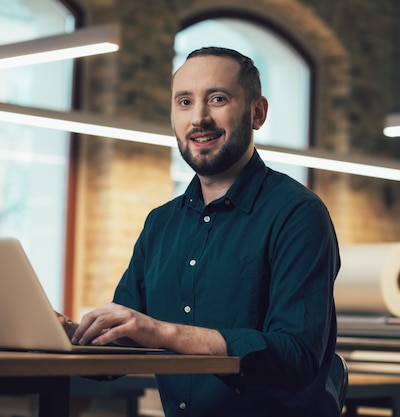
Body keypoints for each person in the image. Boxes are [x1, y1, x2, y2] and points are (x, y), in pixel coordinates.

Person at [67, 46, 341, 416]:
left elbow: (295, 357)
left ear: (257, 113)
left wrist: (165, 334)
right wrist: (68, 338)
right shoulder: (160, 224)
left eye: (217, 98)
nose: (199, 117)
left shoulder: (298, 214)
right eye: (184, 102)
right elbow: (123, 347)